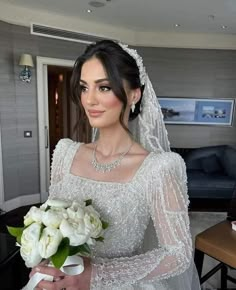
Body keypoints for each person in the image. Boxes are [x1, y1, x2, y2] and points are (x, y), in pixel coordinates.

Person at [31, 40, 201, 290]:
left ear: (134, 94)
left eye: (104, 87)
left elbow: (179, 253)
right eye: (83, 87)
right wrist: (44, 267)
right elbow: (52, 226)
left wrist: (97, 276)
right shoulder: (65, 153)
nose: (89, 100)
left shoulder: (159, 168)